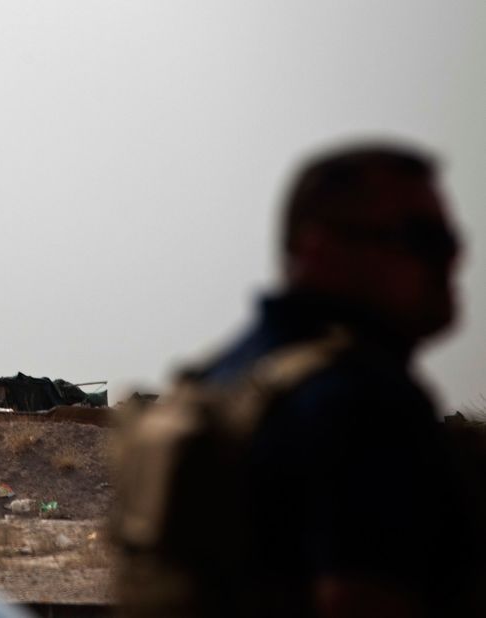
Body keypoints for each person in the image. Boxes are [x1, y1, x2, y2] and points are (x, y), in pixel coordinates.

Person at [192, 142, 481, 617]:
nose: (452, 259)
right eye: (423, 239)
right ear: (319, 248)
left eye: (449, 239)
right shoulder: (360, 403)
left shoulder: (220, 381)